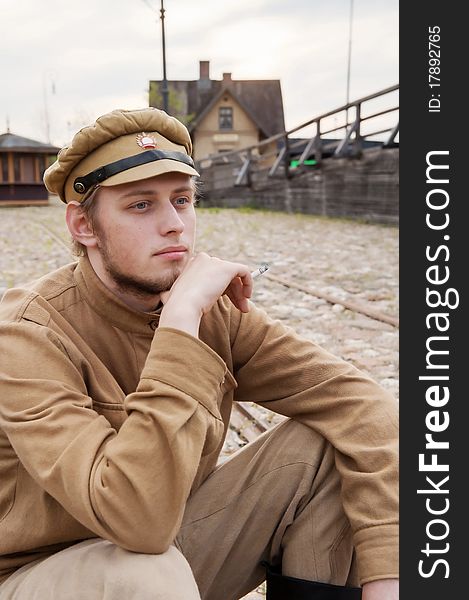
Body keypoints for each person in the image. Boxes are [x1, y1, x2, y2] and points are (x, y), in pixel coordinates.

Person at [0, 108, 398, 599]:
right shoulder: (26, 335)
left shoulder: (215, 312)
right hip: (41, 575)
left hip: (166, 553)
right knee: (144, 573)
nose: (175, 226)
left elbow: (363, 405)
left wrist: (385, 577)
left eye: (183, 200)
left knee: (327, 448)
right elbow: (137, 521)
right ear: (83, 225)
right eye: (141, 206)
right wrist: (181, 322)